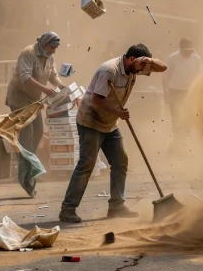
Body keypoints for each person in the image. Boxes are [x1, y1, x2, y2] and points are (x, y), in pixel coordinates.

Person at [59, 44, 167, 223]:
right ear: (132, 59)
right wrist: (118, 113)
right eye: (141, 65)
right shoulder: (108, 70)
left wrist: (149, 61)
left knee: (120, 161)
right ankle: (67, 209)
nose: (142, 70)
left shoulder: (135, 67)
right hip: (91, 120)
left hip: (110, 124)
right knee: (86, 165)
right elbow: (96, 99)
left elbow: (162, 67)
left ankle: (116, 206)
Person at [5, 31, 67, 154]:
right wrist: (45, 89)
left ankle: (27, 160)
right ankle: (25, 164)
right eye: (52, 47)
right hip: (19, 97)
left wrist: (64, 88)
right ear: (45, 43)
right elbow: (25, 77)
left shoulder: (50, 56)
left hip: (34, 99)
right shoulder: (29, 53)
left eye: (56, 48)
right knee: (26, 132)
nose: (54, 50)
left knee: (38, 131)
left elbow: (53, 76)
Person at [163, 37, 203, 143]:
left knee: (188, 116)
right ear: (180, 49)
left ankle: (186, 139)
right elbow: (166, 76)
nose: (188, 53)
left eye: (190, 50)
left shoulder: (197, 59)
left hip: (190, 92)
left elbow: (200, 77)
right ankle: (177, 140)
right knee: (176, 116)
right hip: (174, 91)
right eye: (186, 50)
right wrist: (165, 92)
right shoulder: (172, 58)